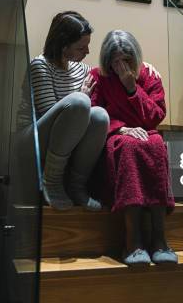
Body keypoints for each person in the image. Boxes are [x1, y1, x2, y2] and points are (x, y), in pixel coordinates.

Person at [22, 12, 160, 212]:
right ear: (63, 46)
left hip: (67, 139)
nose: (87, 51)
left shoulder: (83, 70)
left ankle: (77, 185)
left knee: (99, 115)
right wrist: (80, 96)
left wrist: (142, 64)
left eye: (88, 44)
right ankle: (51, 180)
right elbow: (49, 116)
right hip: (36, 137)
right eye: (81, 47)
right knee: (80, 101)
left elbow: (109, 72)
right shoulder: (40, 66)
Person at [89, 30, 177, 265]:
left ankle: (160, 238)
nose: (121, 66)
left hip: (146, 131)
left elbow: (156, 115)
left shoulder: (149, 75)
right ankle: (133, 240)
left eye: (126, 60)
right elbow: (95, 111)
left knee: (157, 143)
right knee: (127, 147)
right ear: (107, 61)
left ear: (135, 58)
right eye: (115, 61)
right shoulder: (99, 77)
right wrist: (120, 129)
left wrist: (132, 89)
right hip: (116, 135)